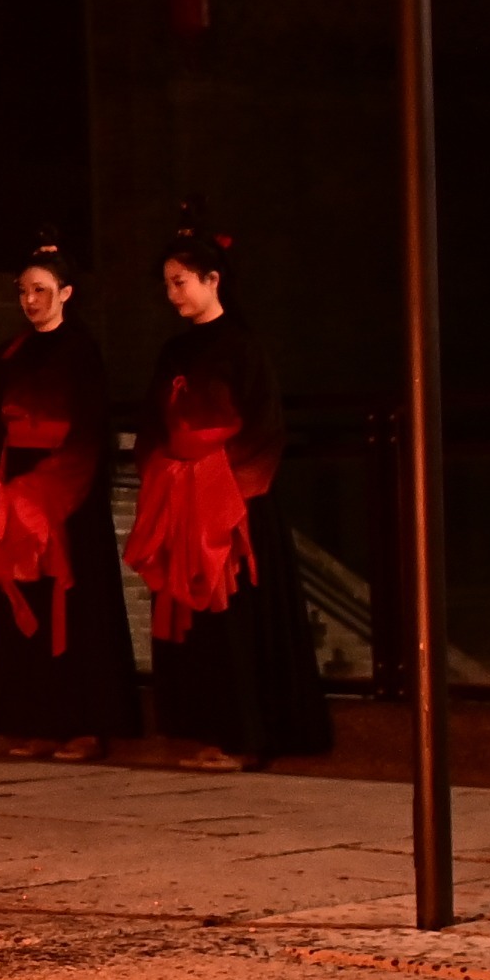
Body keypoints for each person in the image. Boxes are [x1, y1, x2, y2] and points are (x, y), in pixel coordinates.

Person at [127, 215, 333, 771]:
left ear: (212, 279)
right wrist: (167, 472)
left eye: (181, 281)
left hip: (230, 506)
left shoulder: (244, 348)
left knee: (236, 620)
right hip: (182, 493)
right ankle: (203, 730)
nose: (173, 294)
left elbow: (264, 428)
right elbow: (152, 426)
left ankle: (245, 737)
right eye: (168, 284)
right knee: (196, 622)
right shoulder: (173, 353)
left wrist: (215, 484)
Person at [0, 238, 140, 761]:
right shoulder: (10, 353)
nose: (31, 300)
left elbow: (90, 430)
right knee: (25, 602)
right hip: (18, 481)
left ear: (66, 293)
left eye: (41, 290)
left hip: (66, 492)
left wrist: (46, 488)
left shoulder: (81, 349)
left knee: (74, 605)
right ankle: (35, 719)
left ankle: (84, 724)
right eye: (24, 291)